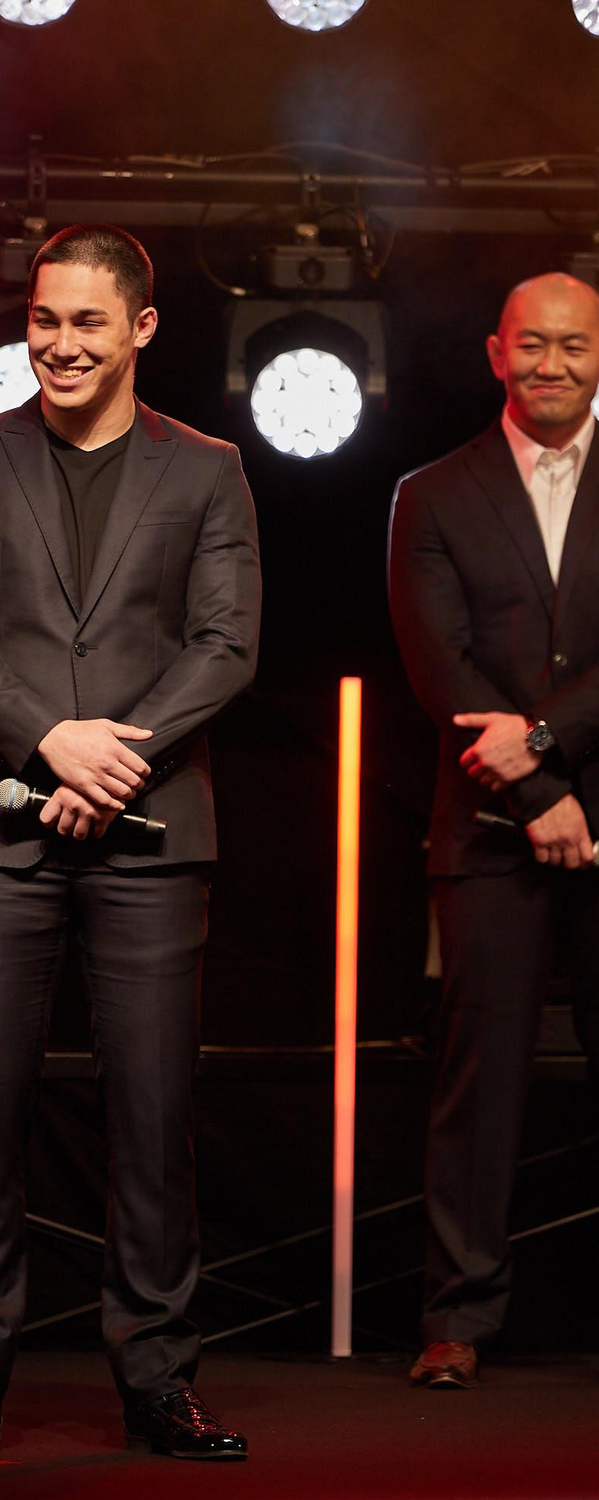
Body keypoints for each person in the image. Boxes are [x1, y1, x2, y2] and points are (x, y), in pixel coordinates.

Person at [0, 224, 261, 1458]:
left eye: (86, 322)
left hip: (150, 835)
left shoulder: (207, 468)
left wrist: (116, 760)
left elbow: (226, 644)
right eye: (43, 320)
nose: (58, 343)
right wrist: (50, 737)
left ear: (140, 328)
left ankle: (157, 1378)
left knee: (153, 1122)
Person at [388, 272, 599, 1389]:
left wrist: (548, 745)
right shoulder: (431, 493)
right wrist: (534, 793)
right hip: (484, 828)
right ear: (494, 353)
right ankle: (457, 1319)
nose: (551, 363)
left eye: (574, 345)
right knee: (478, 1084)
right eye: (532, 344)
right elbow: (440, 668)